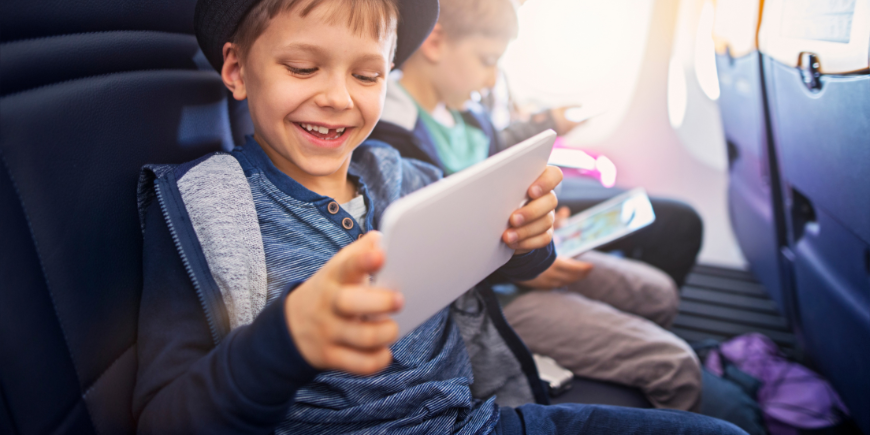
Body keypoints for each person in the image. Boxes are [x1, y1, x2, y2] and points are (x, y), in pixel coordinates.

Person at [133, 0, 747, 433]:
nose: (339, 97)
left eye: (368, 74)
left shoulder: (398, 175)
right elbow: (164, 417)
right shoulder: (200, 209)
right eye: (302, 68)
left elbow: (486, 266)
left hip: (480, 420)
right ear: (237, 71)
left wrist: (527, 242)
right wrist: (284, 340)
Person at [370, 0, 703, 411]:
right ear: (435, 42)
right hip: (493, 297)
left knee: (659, 294)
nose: (493, 79)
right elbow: (437, 257)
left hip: (521, 261)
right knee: (676, 366)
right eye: (487, 61)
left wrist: (538, 223)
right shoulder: (393, 138)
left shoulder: (475, 120)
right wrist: (523, 268)